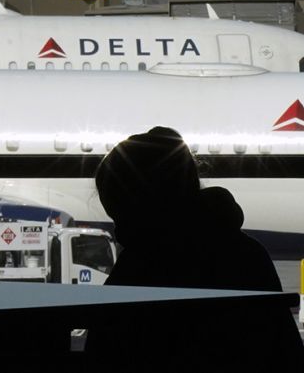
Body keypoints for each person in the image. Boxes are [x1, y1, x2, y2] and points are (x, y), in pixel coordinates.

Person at [85, 126, 304, 363]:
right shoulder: (247, 255)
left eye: (119, 215)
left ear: (138, 209)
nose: (119, 231)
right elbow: (286, 351)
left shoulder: (137, 272)